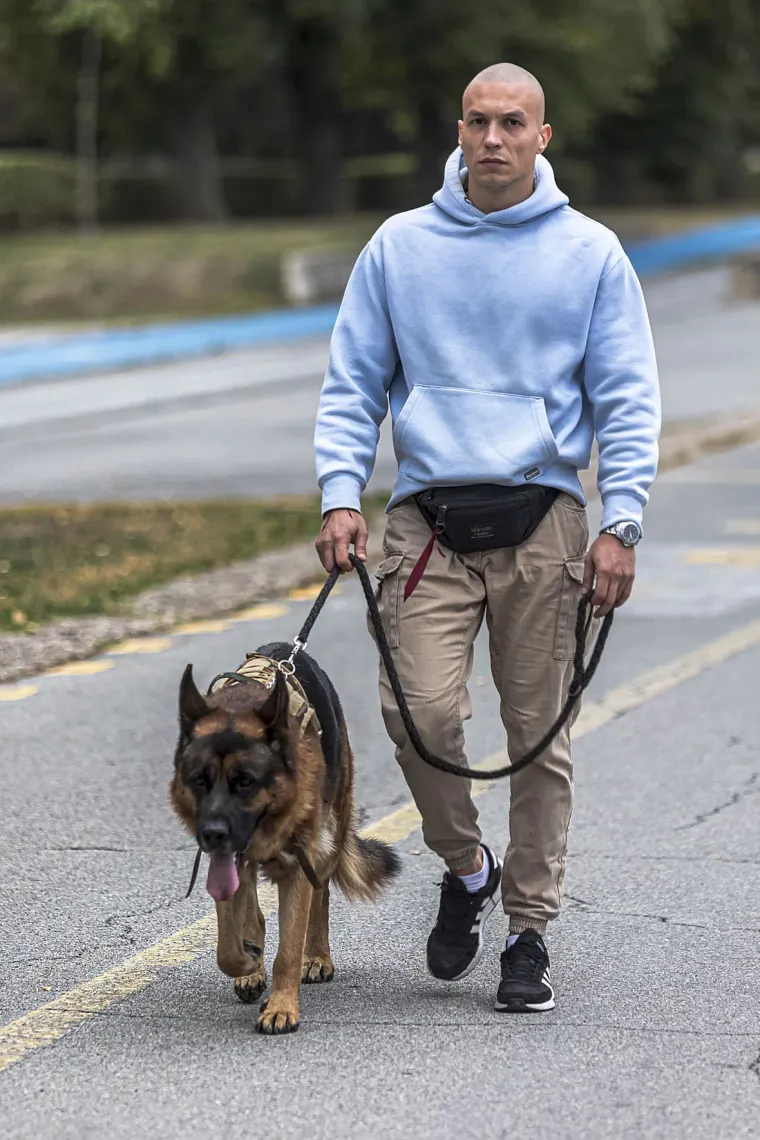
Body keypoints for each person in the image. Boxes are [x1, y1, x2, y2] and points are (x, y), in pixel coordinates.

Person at [314, 62, 660, 1012]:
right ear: (458, 130)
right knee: (418, 717)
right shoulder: (399, 246)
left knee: (536, 736)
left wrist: (620, 521)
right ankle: (466, 868)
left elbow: (627, 399)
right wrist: (341, 493)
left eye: (514, 122)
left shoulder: (591, 254)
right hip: (427, 521)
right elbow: (353, 382)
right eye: (478, 121)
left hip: (544, 520)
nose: (494, 138)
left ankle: (528, 929)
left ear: (543, 137)